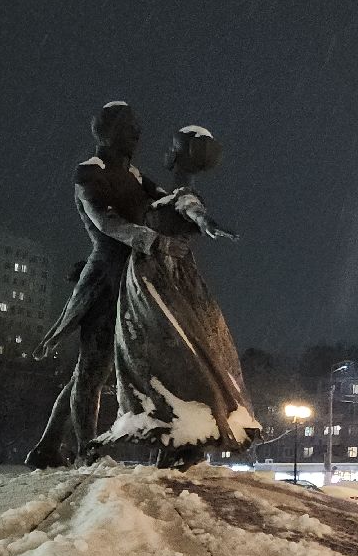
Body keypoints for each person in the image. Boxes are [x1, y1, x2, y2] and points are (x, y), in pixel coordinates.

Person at [97, 126, 260, 468]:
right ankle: (174, 435)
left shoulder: (182, 194)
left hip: (164, 281)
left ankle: (185, 434)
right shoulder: (162, 192)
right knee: (159, 355)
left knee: (174, 352)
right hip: (150, 279)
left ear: (182, 154)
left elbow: (190, 206)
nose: (167, 152)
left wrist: (205, 221)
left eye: (173, 146)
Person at [27, 102, 167, 467]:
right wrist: (142, 236)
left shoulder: (135, 175)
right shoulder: (90, 172)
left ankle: (47, 446)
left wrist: (189, 199)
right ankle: (88, 452)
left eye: (138, 127)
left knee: (91, 372)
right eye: (129, 127)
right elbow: (104, 219)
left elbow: (165, 201)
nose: (137, 134)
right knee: (92, 369)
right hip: (105, 281)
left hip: (133, 278)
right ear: (107, 132)